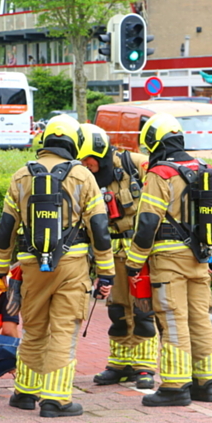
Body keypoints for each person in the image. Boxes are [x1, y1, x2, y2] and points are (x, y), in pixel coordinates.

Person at [0, 114, 115, 418]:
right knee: (63, 329)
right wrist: (106, 271)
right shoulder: (83, 176)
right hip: (71, 266)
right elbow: (99, 228)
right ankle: (56, 399)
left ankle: (24, 393)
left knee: (33, 329)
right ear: (74, 143)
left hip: (31, 264)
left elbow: (6, 227)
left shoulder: (21, 175)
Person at [125, 113, 212, 407]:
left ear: (153, 141)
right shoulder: (204, 169)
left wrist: (133, 261)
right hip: (200, 258)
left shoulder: (160, 173)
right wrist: (210, 257)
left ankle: (175, 386)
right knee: (200, 319)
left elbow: (147, 223)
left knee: (174, 320)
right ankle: (206, 384)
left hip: (168, 260)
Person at [77, 123, 156, 390]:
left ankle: (144, 367)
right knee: (117, 311)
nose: (86, 165)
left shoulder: (136, 164)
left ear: (100, 153)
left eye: (89, 160)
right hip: (112, 255)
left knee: (143, 310)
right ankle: (119, 365)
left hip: (141, 255)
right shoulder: (86, 177)